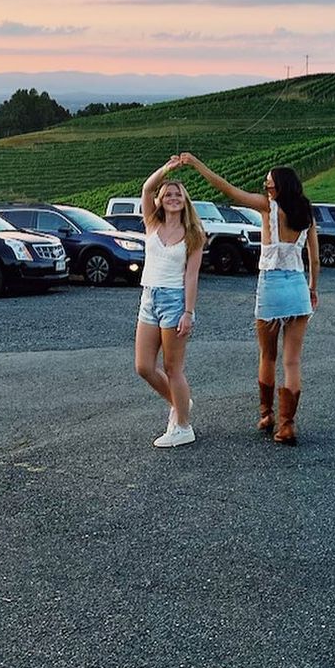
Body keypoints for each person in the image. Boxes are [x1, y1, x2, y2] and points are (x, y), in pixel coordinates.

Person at [179, 154, 318, 444]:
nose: (266, 186)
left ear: (280, 185)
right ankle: (288, 425)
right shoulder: (306, 213)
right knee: (292, 361)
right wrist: (312, 288)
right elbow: (314, 259)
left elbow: (227, 189)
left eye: (269, 182)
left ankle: (267, 415)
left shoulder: (268, 206)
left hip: (271, 286)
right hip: (298, 287)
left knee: (268, 355)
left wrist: (196, 163)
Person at [134, 155, 205, 448]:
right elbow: (146, 188)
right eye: (168, 195)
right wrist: (167, 169)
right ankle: (180, 402)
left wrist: (188, 312)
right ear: (161, 201)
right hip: (149, 297)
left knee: (173, 368)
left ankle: (183, 427)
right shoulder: (152, 223)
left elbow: (192, 276)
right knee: (144, 367)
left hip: (174, 300)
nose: (173, 198)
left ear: (185, 201)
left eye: (178, 194)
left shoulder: (194, 234)